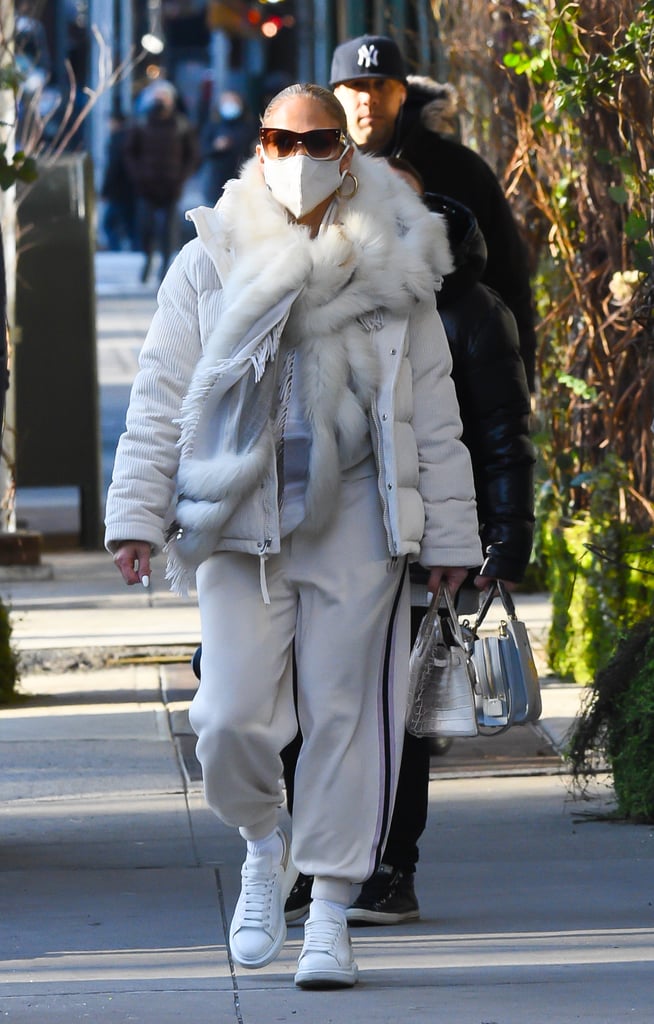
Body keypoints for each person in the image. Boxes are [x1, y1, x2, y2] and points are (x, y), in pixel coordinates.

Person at [105, 82, 482, 990]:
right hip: (239, 520)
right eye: (282, 137)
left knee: (348, 719)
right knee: (229, 718)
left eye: (319, 139)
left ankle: (334, 910)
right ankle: (264, 846)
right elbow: (161, 395)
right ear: (259, 147)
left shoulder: (394, 262)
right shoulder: (210, 258)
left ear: (345, 152)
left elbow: (434, 410)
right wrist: (135, 514)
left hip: (358, 515)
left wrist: (453, 540)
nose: (302, 154)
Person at [283, 157, 535, 926]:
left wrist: (501, 545)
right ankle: (313, 856)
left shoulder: (467, 309)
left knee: (403, 711)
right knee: (308, 701)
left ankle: (392, 865)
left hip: (430, 541)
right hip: (337, 534)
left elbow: (500, 435)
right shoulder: (328, 292)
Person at [329, 34, 537, 391]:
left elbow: (508, 279)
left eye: (382, 84)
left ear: (402, 93)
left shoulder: (462, 171)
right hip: (349, 379)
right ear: (336, 95)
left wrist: (519, 385)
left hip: (453, 378)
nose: (369, 97)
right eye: (357, 85)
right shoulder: (316, 172)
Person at [124, 80, 199, 283]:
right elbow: (130, 153)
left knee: (169, 230)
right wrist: (138, 176)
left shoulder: (181, 125)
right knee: (145, 227)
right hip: (146, 186)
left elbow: (191, 155)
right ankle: (147, 259)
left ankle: (165, 265)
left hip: (172, 185)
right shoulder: (140, 123)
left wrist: (181, 177)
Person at [200, 90, 257, 204]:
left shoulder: (249, 126)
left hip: (241, 179)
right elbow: (203, 149)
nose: (230, 105)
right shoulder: (213, 124)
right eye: (226, 101)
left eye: (234, 101)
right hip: (216, 182)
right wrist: (216, 147)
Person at [100, 109, 138, 252]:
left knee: (109, 224)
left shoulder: (116, 139)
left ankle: (116, 250)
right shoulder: (133, 137)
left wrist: (105, 189)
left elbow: (113, 167)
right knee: (130, 223)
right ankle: (135, 249)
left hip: (118, 189)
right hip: (133, 188)